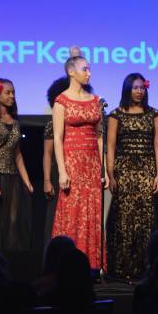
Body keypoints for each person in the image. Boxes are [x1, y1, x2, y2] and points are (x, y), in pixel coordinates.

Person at [51, 47, 108, 269]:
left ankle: (92, 265)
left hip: (92, 163)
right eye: (85, 69)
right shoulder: (61, 101)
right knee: (73, 213)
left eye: (90, 69)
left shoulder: (95, 100)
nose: (89, 73)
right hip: (72, 163)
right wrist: (62, 171)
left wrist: (103, 170)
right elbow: (57, 138)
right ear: (71, 72)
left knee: (91, 213)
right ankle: (67, 266)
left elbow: (100, 136)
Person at [106, 73, 158, 279]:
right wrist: (110, 174)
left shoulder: (154, 114)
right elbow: (110, 146)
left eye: (142, 87)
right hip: (124, 170)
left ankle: (144, 267)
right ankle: (123, 268)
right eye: (135, 87)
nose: (139, 91)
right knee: (123, 219)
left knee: (145, 218)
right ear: (127, 89)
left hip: (147, 170)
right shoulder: (115, 115)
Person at [0, 78, 33, 250]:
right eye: (8, 92)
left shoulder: (15, 121)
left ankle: (10, 264)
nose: (12, 96)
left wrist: (27, 181)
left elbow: (18, 155)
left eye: (13, 92)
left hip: (12, 177)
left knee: (12, 221)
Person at [42, 77, 93, 248]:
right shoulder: (53, 123)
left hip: (83, 170)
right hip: (61, 172)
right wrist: (47, 180)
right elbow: (48, 154)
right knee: (60, 218)